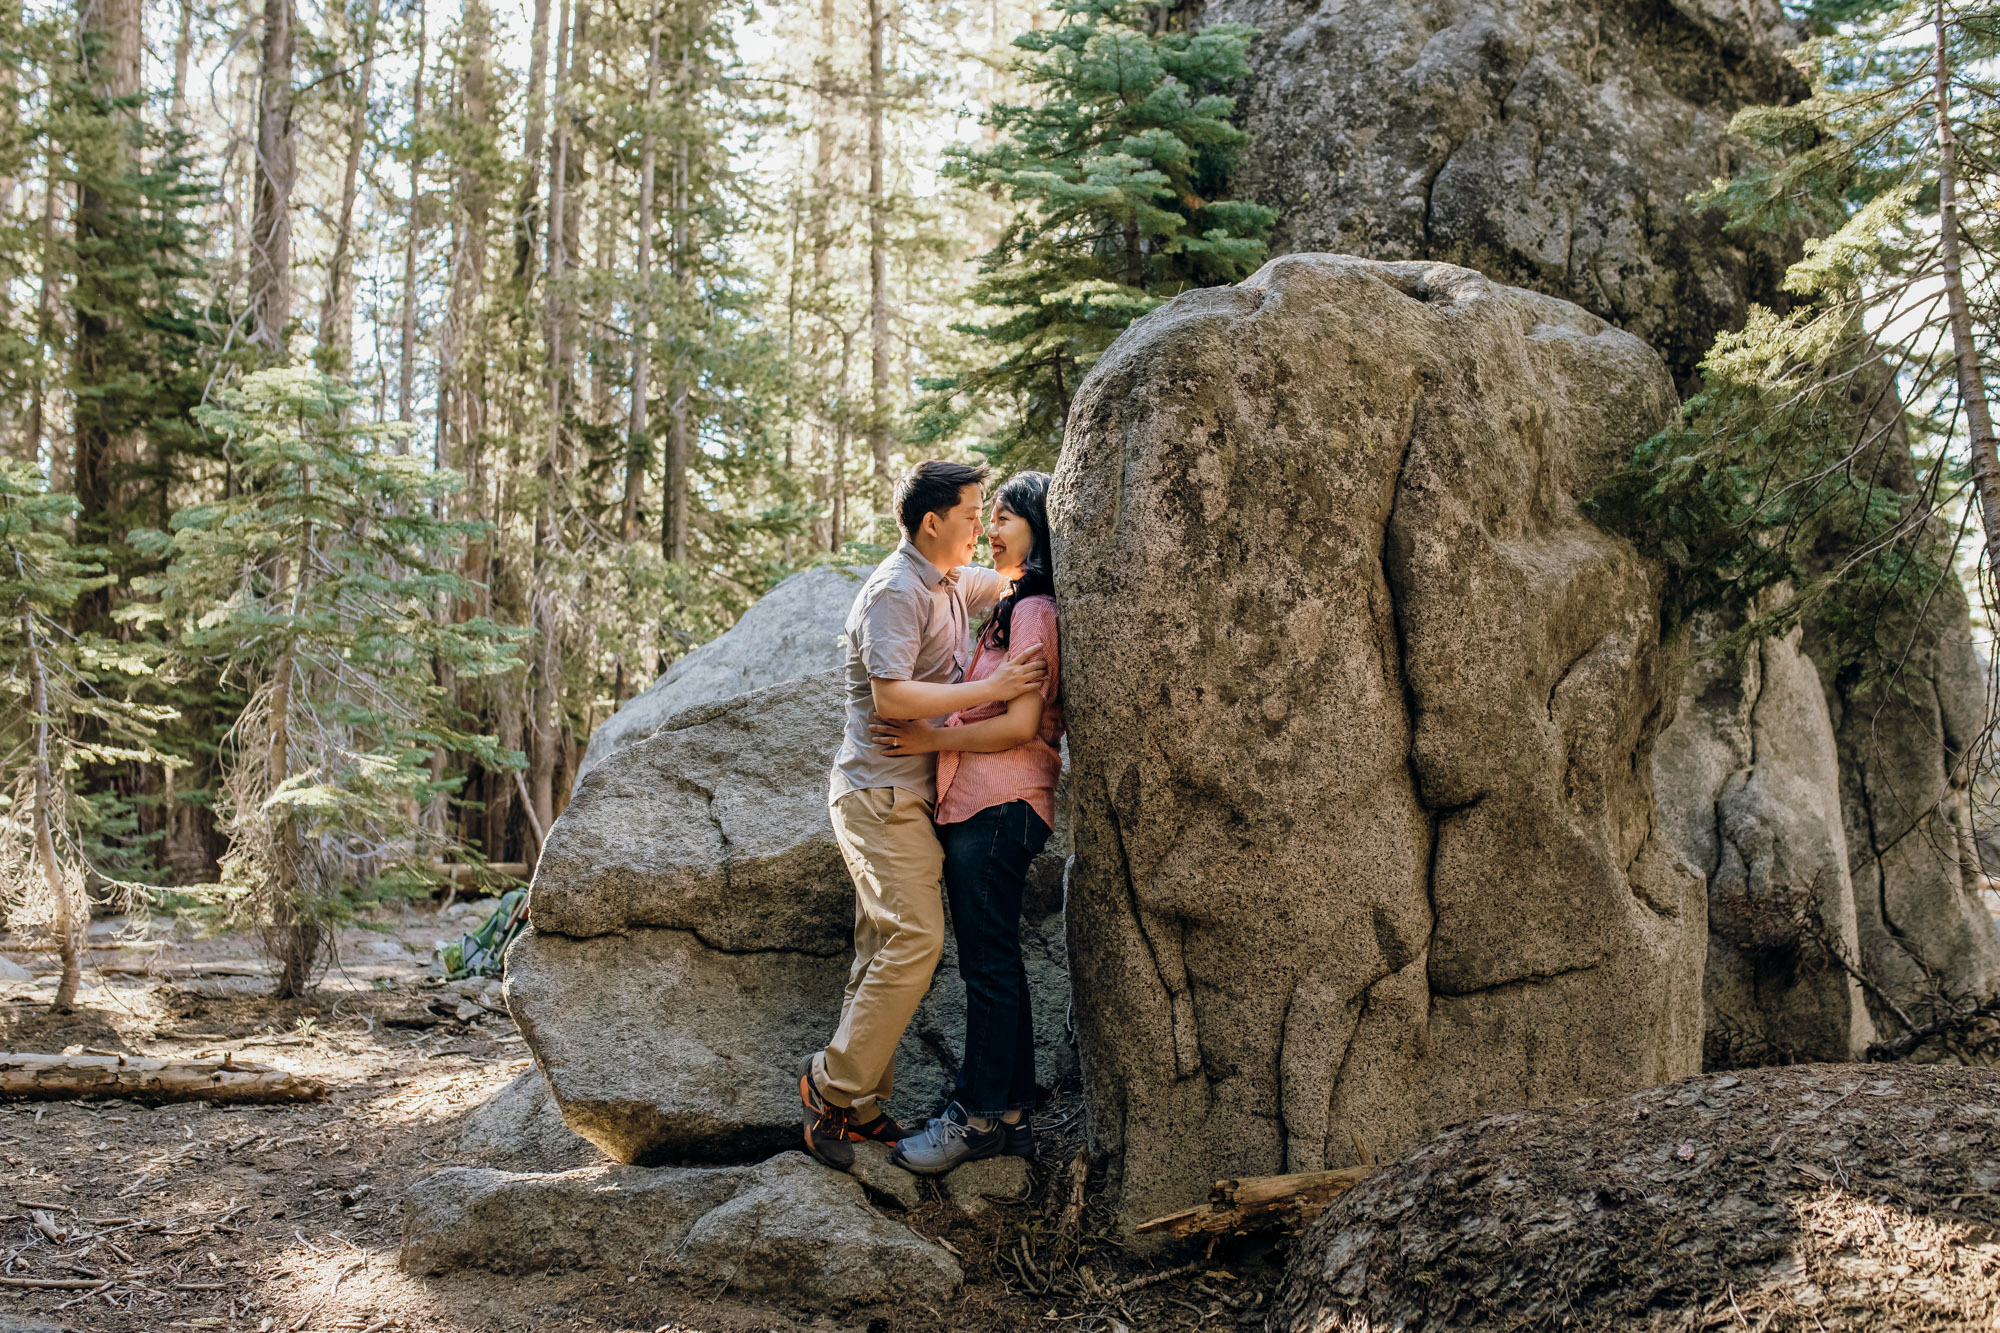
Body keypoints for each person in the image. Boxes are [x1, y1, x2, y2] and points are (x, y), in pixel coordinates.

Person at [799, 459, 1050, 1169]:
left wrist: (1036, 542)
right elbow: (891, 697)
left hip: (906, 797)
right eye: (974, 513)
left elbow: (1015, 577)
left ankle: (859, 1107)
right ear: (932, 521)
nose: (981, 526)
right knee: (916, 938)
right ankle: (828, 1085)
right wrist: (997, 682)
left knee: (882, 946)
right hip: (881, 793)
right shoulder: (894, 589)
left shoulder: (947, 582)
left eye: (990, 514)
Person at [870, 470, 1063, 1174]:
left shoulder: (1035, 609)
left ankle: (976, 1116)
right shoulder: (1013, 602)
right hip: (982, 802)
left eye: (1005, 518)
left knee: (987, 968)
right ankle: (1009, 1116)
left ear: (1037, 529)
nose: (991, 530)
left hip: (1000, 801)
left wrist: (927, 739)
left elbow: (1020, 722)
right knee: (996, 960)